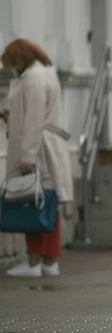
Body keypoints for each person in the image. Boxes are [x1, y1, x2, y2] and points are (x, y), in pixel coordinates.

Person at [2, 39, 73, 278]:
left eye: (11, 64)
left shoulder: (33, 79)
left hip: (38, 149)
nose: (10, 69)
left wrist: (27, 156)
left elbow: (33, 119)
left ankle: (33, 262)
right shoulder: (46, 73)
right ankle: (50, 261)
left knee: (30, 204)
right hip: (48, 147)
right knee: (48, 205)